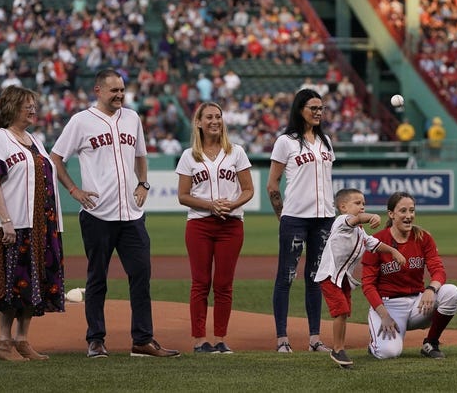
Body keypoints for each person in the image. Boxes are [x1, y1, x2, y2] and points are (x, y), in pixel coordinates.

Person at [50, 68, 180, 359]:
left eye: (122, 89)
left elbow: (141, 155)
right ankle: (95, 340)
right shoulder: (81, 122)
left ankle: (142, 340)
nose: (120, 94)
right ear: (98, 90)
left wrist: (144, 182)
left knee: (141, 276)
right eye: (114, 90)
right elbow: (56, 157)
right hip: (98, 215)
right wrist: (74, 190)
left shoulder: (132, 118)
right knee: (97, 279)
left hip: (132, 215)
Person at [0, 86, 65, 361]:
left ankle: (23, 340)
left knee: (36, 281)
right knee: (13, 282)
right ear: (11, 108)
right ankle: (4, 343)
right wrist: (6, 221)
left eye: (33, 105)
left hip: (41, 223)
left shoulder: (35, 140)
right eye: (26, 105)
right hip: (14, 223)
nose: (32, 109)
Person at [176, 102, 254, 354]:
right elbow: (183, 195)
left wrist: (230, 205)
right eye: (208, 117)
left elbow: (248, 189)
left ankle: (220, 338)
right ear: (198, 122)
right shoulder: (189, 155)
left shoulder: (236, 152)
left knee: (224, 284)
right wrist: (211, 205)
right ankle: (200, 339)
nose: (214, 121)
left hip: (230, 224)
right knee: (200, 282)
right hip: (199, 224)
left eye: (218, 117)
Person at [267, 88, 335, 353]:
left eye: (321, 108)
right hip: (295, 217)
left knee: (316, 278)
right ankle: (282, 338)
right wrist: (281, 215)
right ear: (299, 110)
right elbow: (273, 184)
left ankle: (315, 338)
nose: (318, 112)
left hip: (324, 218)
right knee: (286, 276)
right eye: (313, 108)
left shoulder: (326, 141)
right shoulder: (286, 141)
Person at [362, 192, 457, 360]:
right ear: (391, 214)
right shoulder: (377, 242)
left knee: (451, 292)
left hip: (418, 303)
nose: (409, 216)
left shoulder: (423, 237)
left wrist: (431, 289)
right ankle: (375, 345)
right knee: (388, 353)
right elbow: (368, 285)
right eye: (403, 211)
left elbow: (438, 270)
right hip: (388, 306)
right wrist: (384, 315)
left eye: (412, 210)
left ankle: (431, 343)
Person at [314, 188, 406, 368]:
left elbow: (374, 244)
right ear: (343, 207)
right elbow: (356, 219)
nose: (362, 207)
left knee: (345, 311)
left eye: (364, 203)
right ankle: (338, 348)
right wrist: (373, 217)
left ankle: (339, 348)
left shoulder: (359, 232)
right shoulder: (342, 221)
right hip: (330, 276)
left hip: (343, 278)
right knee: (340, 310)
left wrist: (393, 251)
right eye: (357, 203)